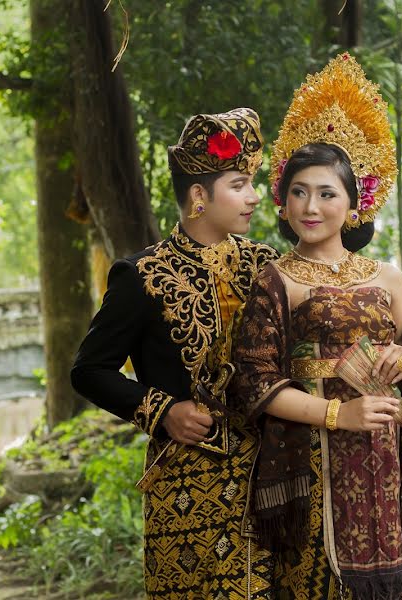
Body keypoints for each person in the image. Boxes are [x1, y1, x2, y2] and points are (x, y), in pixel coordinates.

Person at [231, 55, 402, 599]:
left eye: (327, 193)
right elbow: (254, 383)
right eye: (299, 191)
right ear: (282, 200)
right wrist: (337, 414)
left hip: (385, 460)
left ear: (354, 204)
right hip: (311, 461)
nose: (311, 205)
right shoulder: (275, 280)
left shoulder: (390, 277)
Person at [71, 108, 280, 598]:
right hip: (186, 489)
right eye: (239, 183)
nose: (253, 197)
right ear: (199, 196)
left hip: (266, 476)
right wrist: (163, 411)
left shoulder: (268, 266)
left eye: (253, 183)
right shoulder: (141, 275)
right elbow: (89, 370)